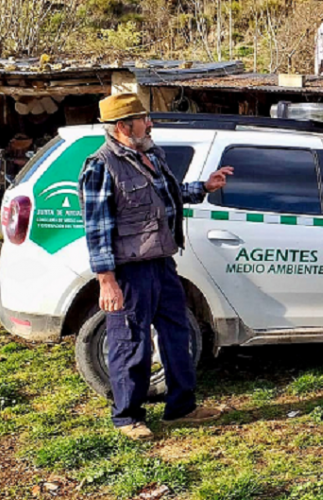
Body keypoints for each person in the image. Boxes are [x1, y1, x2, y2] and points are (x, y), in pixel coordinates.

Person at [79, 93, 234, 441]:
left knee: (178, 335)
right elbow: (97, 228)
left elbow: (170, 193)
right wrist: (107, 280)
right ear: (123, 126)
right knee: (130, 343)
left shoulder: (150, 155)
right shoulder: (101, 166)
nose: (150, 123)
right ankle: (127, 417)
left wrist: (204, 187)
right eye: (143, 118)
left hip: (162, 264)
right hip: (129, 272)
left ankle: (182, 408)